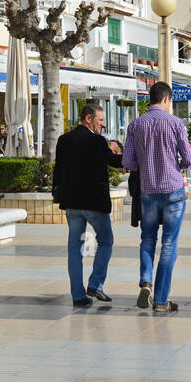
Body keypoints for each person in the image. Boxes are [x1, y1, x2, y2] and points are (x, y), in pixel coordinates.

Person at [122, 81, 191, 313]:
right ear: (166, 99)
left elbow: (128, 163)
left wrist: (145, 162)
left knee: (148, 238)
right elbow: (189, 158)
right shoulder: (175, 123)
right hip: (172, 189)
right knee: (169, 243)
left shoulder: (135, 125)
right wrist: (177, 165)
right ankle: (161, 300)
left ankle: (145, 281)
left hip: (148, 190)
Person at [52, 102, 122, 307]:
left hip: (71, 203)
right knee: (106, 241)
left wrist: (57, 193)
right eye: (100, 120)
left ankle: (78, 296)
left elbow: (58, 169)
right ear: (88, 118)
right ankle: (95, 283)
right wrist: (137, 159)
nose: (102, 125)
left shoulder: (63, 140)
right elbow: (113, 161)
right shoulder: (97, 142)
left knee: (75, 248)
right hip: (94, 203)